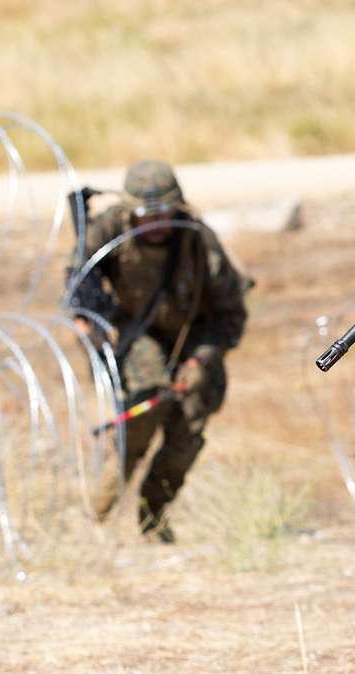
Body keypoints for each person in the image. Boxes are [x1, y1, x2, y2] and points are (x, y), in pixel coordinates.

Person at [67, 160, 248, 543]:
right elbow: (77, 282)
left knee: (187, 430)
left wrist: (202, 358)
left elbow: (230, 313)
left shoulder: (198, 241)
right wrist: (88, 323)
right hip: (137, 334)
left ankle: (153, 517)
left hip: (195, 338)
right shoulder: (109, 229)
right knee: (143, 410)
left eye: (164, 213)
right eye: (145, 214)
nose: (156, 223)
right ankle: (97, 516)